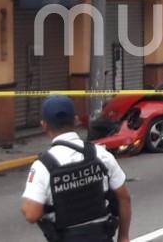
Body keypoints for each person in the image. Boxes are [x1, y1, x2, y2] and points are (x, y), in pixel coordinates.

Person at [21, 96, 132, 242]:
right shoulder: (100, 154)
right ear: (76, 120)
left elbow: (31, 214)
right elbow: (124, 198)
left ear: (44, 125)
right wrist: (123, 237)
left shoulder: (43, 166)